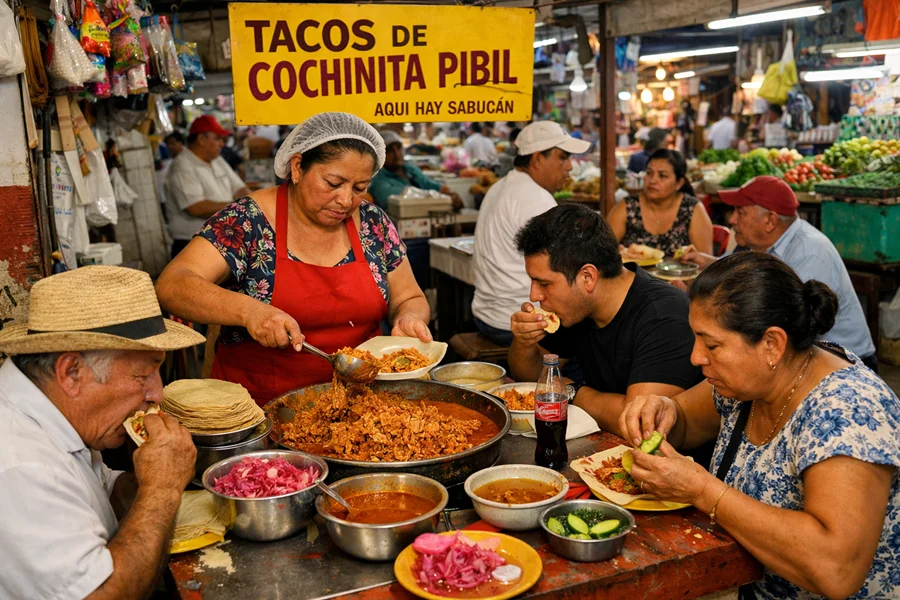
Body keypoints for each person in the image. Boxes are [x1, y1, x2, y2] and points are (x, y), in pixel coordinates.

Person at [615, 252, 899, 600]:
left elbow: (836, 570)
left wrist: (702, 490)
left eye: (712, 344)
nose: (695, 357)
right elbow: (685, 421)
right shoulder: (752, 380)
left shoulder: (847, 411)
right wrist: (664, 409)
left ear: (772, 344)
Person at [156, 112, 432, 404]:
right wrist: (250, 312)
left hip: (361, 405)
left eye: (359, 188)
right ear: (298, 167)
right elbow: (173, 284)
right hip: (261, 408)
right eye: (333, 183)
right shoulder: (248, 221)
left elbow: (409, 297)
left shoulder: (372, 223)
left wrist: (409, 318)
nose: (346, 200)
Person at [0, 265, 204, 600]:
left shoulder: (58, 411)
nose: (157, 394)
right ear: (72, 372)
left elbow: (92, 491)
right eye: (143, 375)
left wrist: (152, 473)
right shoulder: (20, 468)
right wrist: (162, 489)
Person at [508, 204, 704, 433]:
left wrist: (569, 390)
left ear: (588, 276)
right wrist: (524, 342)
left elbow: (639, 422)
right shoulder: (573, 307)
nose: (534, 295)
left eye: (544, 283)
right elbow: (530, 375)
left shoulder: (664, 315)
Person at [681, 176, 877, 370]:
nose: (732, 219)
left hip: (842, 362)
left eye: (740, 212)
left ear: (770, 220)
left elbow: (788, 325)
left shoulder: (810, 253)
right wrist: (709, 264)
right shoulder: (755, 243)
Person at [472, 121, 590, 346]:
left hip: (486, 315)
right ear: (537, 160)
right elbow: (565, 266)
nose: (570, 167)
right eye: (562, 158)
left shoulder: (501, 186)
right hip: (514, 320)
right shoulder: (535, 197)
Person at [166, 116, 251, 258]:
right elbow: (196, 208)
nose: (222, 144)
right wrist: (240, 207)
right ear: (201, 139)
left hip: (220, 239)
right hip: (192, 243)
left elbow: (239, 188)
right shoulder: (182, 166)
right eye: (217, 139)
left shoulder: (217, 159)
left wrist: (251, 203)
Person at [609, 149, 713, 256]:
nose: (653, 180)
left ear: (679, 183)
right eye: (649, 173)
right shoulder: (628, 207)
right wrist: (618, 253)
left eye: (662, 176)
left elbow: (705, 262)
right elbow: (601, 250)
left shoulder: (692, 209)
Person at [368, 130, 462, 210]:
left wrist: (448, 192)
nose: (397, 154)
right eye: (389, 150)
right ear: (378, 155)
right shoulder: (377, 179)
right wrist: (440, 198)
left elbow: (429, 184)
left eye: (398, 148)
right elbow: (398, 199)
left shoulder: (410, 169)